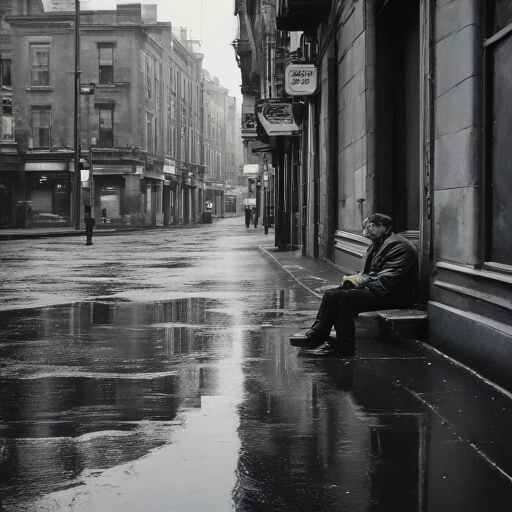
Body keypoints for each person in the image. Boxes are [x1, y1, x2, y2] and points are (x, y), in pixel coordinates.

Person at [290, 213, 419, 357]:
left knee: (345, 298)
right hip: (381, 289)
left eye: (369, 226)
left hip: (394, 295)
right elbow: (373, 272)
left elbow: (387, 280)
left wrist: (361, 280)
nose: (366, 231)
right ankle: (317, 334)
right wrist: (356, 277)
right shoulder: (381, 242)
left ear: (381, 226)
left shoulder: (397, 245)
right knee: (331, 294)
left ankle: (344, 346)